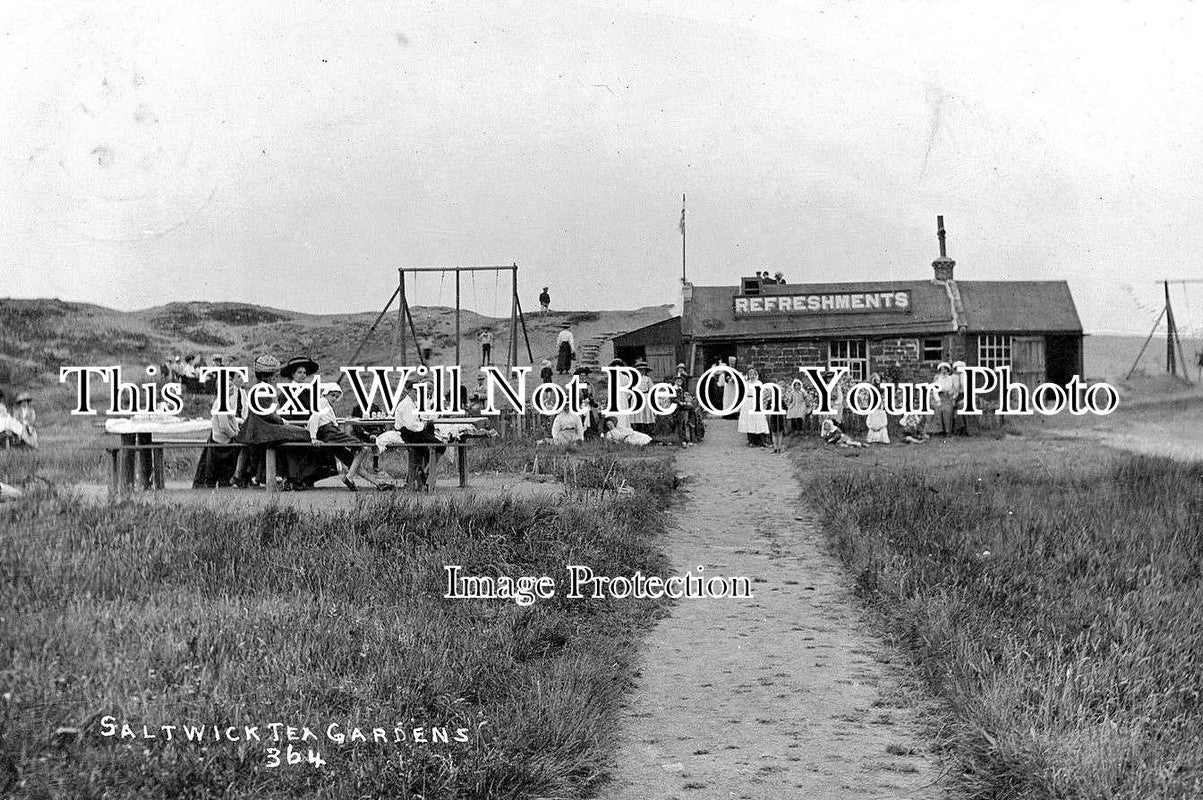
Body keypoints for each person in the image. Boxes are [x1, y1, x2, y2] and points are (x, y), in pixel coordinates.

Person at [308, 383, 391, 491]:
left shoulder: (326, 405)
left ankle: (379, 484)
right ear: (325, 394)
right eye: (332, 395)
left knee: (353, 463)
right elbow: (314, 418)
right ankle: (349, 477)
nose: (334, 398)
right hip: (331, 433)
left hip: (331, 434)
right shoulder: (322, 403)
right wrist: (313, 437)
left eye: (336, 396)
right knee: (363, 448)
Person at [378, 376, 445, 490]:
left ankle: (424, 472)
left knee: (435, 448)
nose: (417, 393)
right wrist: (423, 425)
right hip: (409, 434)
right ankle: (424, 474)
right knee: (439, 447)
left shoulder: (411, 403)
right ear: (409, 391)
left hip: (412, 433)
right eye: (415, 391)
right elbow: (411, 425)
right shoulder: (406, 405)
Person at [193, 370, 247, 488]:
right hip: (220, 442)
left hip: (223, 440)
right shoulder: (221, 403)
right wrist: (234, 434)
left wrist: (236, 430)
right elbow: (224, 425)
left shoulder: (225, 402)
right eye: (229, 386)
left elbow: (231, 421)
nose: (232, 388)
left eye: (232, 386)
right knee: (219, 469)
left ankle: (231, 480)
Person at [737, 367, 771, 447]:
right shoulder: (746, 383)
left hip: (756, 401)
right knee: (749, 420)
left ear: (756, 375)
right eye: (750, 374)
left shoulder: (759, 383)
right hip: (748, 402)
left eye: (753, 374)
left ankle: (761, 440)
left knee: (758, 419)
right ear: (748, 375)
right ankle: (751, 440)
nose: (752, 376)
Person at [931, 362, 957, 436]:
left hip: (948, 398)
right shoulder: (937, 378)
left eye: (945, 369)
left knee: (948, 410)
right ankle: (939, 430)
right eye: (942, 369)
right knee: (938, 409)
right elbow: (935, 391)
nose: (943, 371)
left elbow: (953, 389)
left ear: (947, 369)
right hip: (939, 397)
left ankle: (948, 431)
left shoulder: (951, 378)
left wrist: (952, 396)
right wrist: (938, 400)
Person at [631, 361, 656, 433]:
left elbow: (652, 388)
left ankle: (646, 429)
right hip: (636, 397)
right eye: (639, 370)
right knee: (637, 414)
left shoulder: (647, 379)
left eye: (643, 370)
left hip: (645, 396)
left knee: (645, 413)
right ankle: (638, 429)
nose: (641, 371)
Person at [766, 376, 788, 453]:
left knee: (780, 432)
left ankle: (779, 446)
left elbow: (785, 408)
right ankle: (775, 447)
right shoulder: (770, 401)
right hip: (773, 417)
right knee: (774, 432)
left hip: (780, 417)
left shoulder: (781, 401)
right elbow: (767, 409)